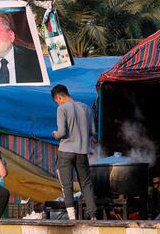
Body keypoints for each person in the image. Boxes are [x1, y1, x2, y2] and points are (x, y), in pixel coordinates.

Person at [51, 84, 97, 220]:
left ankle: (72, 218)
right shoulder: (86, 108)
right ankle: (93, 216)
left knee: (67, 184)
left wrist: (55, 135)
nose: (57, 103)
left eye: (56, 101)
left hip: (66, 151)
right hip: (82, 151)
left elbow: (62, 132)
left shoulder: (62, 108)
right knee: (86, 183)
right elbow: (93, 132)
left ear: (59, 97)